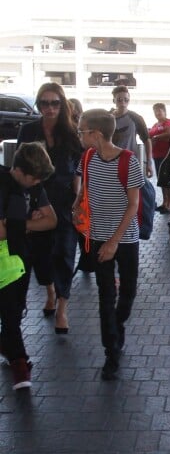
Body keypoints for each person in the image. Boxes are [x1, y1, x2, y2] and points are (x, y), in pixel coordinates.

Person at [72, 109, 144, 381]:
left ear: (96, 134)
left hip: (125, 238)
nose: (79, 135)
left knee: (128, 291)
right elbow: (84, 189)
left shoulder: (128, 161)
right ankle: (110, 353)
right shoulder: (87, 157)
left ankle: (118, 325)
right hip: (97, 235)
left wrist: (114, 242)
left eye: (82, 131)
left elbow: (134, 204)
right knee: (105, 295)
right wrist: (77, 205)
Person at [17, 82, 83, 334]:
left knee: (65, 254)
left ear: (62, 104)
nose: (49, 108)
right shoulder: (29, 130)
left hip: (64, 201)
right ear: (38, 104)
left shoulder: (71, 133)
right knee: (41, 256)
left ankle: (62, 309)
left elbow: (79, 167)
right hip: (36, 202)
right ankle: (50, 291)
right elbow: (20, 167)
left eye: (55, 102)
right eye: (44, 103)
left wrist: (77, 197)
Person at [0, 142, 57, 390]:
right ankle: (20, 365)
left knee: (13, 313)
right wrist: (25, 223)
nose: (36, 184)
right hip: (10, 260)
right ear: (19, 170)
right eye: (33, 179)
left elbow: (51, 220)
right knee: (10, 316)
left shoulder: (33, 188)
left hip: (19, 263)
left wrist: (19, 226)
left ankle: (12, 351)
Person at [111, 85, 154, 178]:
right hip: (109, 162)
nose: (123, 102)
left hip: (129, 162)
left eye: (126, 100)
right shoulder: (107, 118)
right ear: (114, 100)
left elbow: (147, 140)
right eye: (119, 99)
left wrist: (149, 163)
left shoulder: (135, 117)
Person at [148, 103, 170, 214]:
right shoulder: (155, 124)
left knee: (167, 180)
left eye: (159, 111)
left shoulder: (168, 122)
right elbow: (149, 136)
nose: (157, 113)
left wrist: (156, 137)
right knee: (161, 181)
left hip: (166, 155)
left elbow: (169, 134)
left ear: (164, 111)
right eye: (155, 111)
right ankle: (164, 202)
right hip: (156, 155)